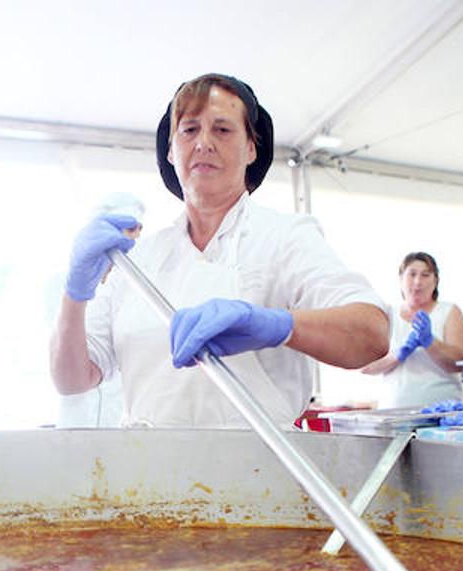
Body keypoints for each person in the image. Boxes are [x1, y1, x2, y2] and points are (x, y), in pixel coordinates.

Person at [49, 73, 388, 428]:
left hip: (259, 471)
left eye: (223, 130)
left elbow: (372, 335)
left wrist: (277, 325)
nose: (204, 143)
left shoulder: (285, 237)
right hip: (147, 473)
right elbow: (72, 379)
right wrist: (74, 295)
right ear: (170, 150)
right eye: (189, 130)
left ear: (251, 148)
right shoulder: (139, 260)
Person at [55, 192, 143, 428]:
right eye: (115, 229)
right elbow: (68, 378)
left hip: (121, 435)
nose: (126, 238)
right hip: (76, 429)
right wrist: (76, 293)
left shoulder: (139, 288)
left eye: (134, 230)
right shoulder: (72, 284)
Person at [360, 251, 463, 409]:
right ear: (401, 279)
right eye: (412, 274)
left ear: (435, 281)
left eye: (425, 275)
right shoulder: (387, 314)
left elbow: (460, 363)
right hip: (394, 413)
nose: (418, 282)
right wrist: (398, 354)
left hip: (442, 414)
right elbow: (365, 367)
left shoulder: (449, 311)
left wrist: (430, 343)